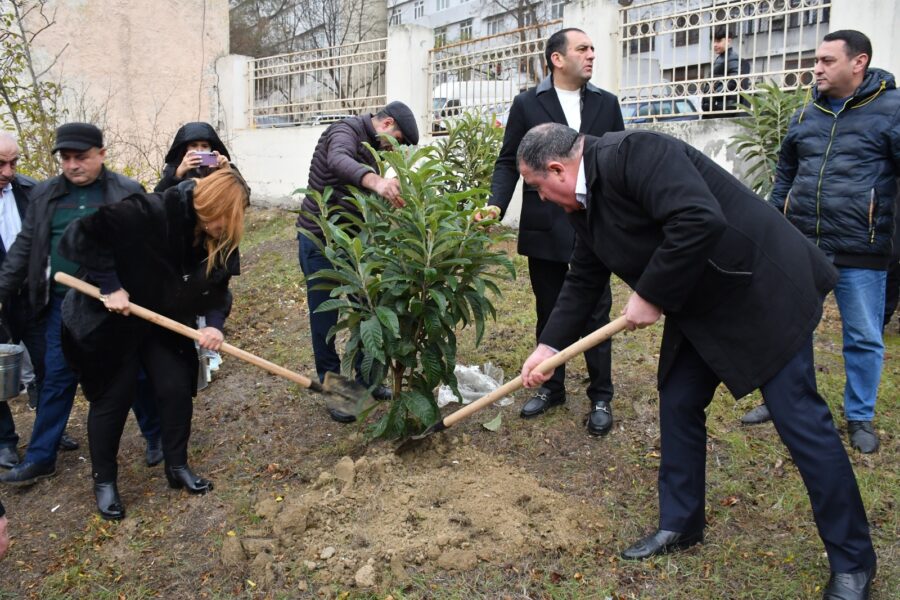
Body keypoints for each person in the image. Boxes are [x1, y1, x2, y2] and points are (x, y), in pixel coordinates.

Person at [516, 123, 876, 600]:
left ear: (558, 169)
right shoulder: (582, 205)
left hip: (757, 289)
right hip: (698, 301)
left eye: (537, 187)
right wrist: (549, 348)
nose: (540, 199)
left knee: (800, 421)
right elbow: (583, 277)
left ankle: (853, 564)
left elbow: (698, 218)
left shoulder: (636, 153)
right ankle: (681, 524)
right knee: (680, 401)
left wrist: (649, 293)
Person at [740, 30, 899, 455]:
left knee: (863, 334)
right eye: (817, 60)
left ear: (858, 62)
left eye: (827, 60)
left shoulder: (892, 111)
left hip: (860, 246)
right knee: (790, 327)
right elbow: (786, 173)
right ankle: (786, 399)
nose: (817, 68)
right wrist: (773, 222)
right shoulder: (806, 111)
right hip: (801, 244)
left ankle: (859, 416)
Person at [58, 168, 249, 520]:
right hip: (109, 318)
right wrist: (110, 285)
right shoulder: (150, 211)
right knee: (113, 398)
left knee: (175, 387)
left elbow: (218, 289)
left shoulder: (219, 237)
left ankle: (177, 466)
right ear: (209, 206)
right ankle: (105, 482)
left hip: (160, 321)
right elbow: (82, 236)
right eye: (226, 220)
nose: (228, 230)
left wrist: (216, 328)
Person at [0, 123, 162, 487]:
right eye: (66, 158)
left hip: (117, 303)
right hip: (63, 306)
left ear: (101, 155)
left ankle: (156, 437)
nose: (72, 165)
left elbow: (148, 249)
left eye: (81, 157)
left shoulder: (126, 191)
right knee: (56, 377)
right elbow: (25, 248)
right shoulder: (45, 195)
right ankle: (43, 457)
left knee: (131, 375)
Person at [480, 28, 624, 436]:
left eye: (593, 49)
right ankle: (552, 387)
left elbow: (616, 156)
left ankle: (601, 395)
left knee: (596, 313)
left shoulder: (606, 104)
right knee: (550, 310)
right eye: (583, 49)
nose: (592, 55)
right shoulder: (528, 103)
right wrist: (496, 203)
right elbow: (509, 160)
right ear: (557, 59)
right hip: (546, 226)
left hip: (595, 227)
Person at [295, 101, 419, 423]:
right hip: (319, 240)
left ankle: (368, 381)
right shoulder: (345, 131)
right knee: (325, 320)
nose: (397, 148)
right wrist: (376, 182)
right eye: (398, 139)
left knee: (370, 307)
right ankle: (336, 392)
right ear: (386, 123)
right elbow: (338, 161)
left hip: (353, 245)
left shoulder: (372, 148)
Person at [155, 122, 236, 381]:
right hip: (180, 246)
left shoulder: (222, 172)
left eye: (205, 147)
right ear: (183, 150)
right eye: (194, 147)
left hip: (214, 243)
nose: (200, 151)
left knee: (212, 288)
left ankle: (209, 349)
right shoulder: (173, 172)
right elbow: (158, 202)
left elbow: (242, 196)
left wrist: (227, 171)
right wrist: (178, 173)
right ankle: (187, 346)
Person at [0, 132, 44, 471]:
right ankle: (4, 442)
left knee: (47, 364)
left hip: (32, 296)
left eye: (14, 162)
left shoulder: (30, 190)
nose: (9, 171)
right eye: (1, 163)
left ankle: (47, 432)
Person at [701, 27, 751, 116]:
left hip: (723, 108)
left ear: (728, 41)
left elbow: (733, 82)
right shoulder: (723, 58)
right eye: (714, 41)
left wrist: (714, 92)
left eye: (718, 41)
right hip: (717, 108)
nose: (715, 45)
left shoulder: (731, 58)